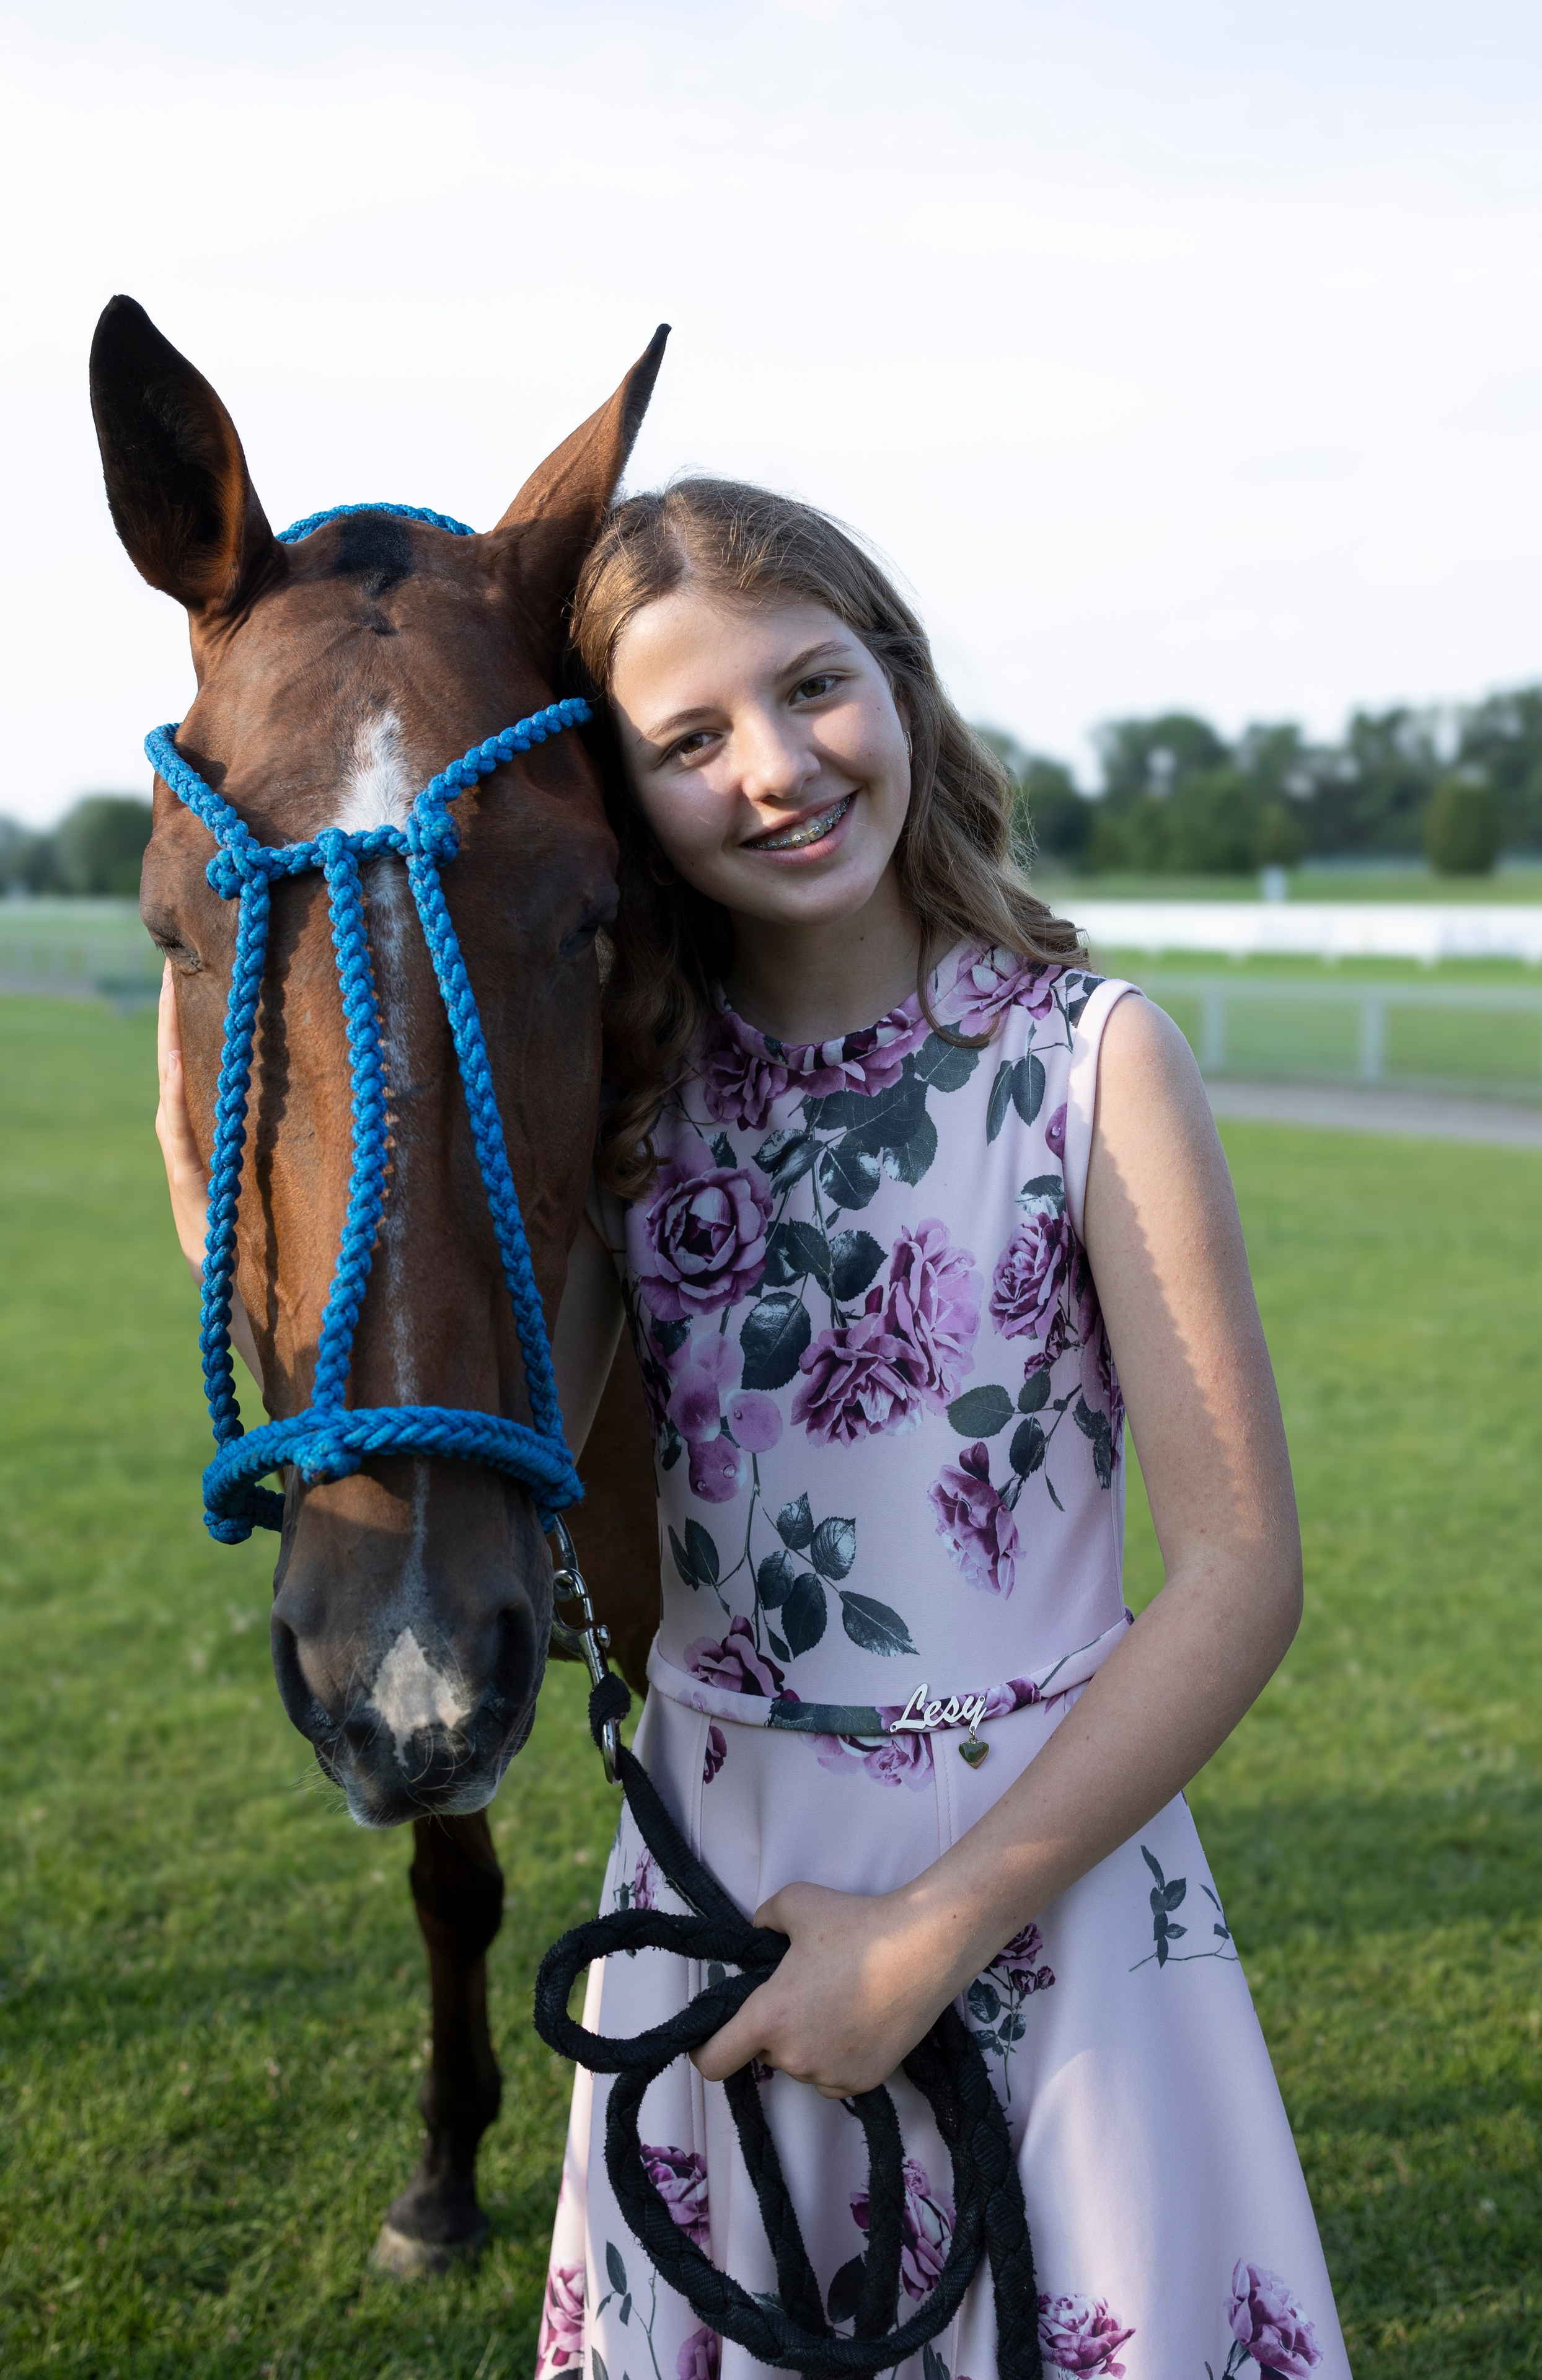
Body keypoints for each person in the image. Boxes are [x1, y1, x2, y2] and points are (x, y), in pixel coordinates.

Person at [156, 477, 1347, 2380]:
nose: (776, 768)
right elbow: (369, 1248)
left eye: (814, 687)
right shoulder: (622, 1122)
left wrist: (932, 1934)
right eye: (689, 739)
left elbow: (1242, 1573)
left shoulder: (1087, 1059)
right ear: (621, 793)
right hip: (711, 1892)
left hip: (1032, 1891)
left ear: (904, 680)